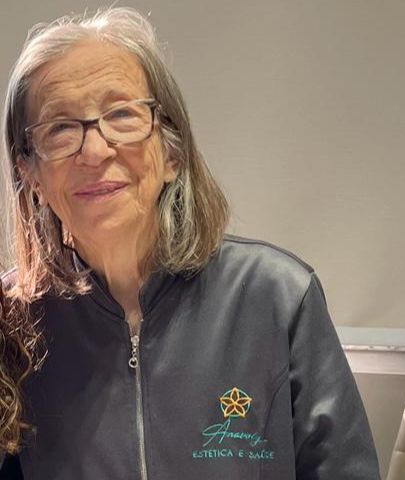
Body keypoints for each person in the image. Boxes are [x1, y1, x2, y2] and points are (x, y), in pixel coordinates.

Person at [0, 7, 380, 479]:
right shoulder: (13, 323)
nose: (94, 151)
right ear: (31, 174)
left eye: (122, 114)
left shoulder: (278, 297)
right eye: (59, 128)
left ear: (171, 152)